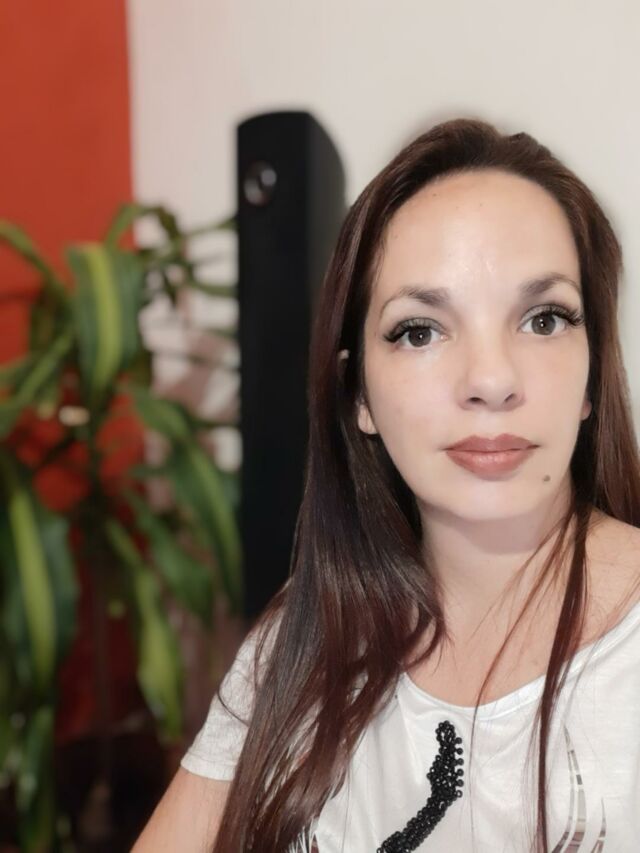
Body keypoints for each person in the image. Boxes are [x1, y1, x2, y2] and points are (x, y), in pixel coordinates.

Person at [132, 117, 640, 852]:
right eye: (419, 330)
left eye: (544, 319)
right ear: (358, 396)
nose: (491, 379)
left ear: (592, 376)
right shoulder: (298, 641)